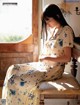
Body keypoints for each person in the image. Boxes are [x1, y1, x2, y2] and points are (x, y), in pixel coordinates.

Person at [2, 4, 74, 105]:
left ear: (57, 16)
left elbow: (67, 58)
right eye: (45, 20)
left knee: (14, 79)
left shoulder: (66, 30)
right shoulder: (52, 30)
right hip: (43, 66)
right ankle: (6, 102)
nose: (47, 23)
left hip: (53, 70)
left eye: (48, 19)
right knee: (12, 69)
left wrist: (47, 58)